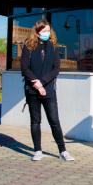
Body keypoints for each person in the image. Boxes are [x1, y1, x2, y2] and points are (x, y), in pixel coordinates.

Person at [20, 20, 74, 162]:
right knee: (35, 121)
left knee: (54, 121)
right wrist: (37, 85)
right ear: (37, 32)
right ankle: (37, 150)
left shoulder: (53, 46)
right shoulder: (28, 46)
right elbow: (25, 68)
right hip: (32, 90)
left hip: (49, 90)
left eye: (48, 30)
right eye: (44, 31)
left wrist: (42, 83)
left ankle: (63, 151)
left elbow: (56, 68)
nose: (47, 33)